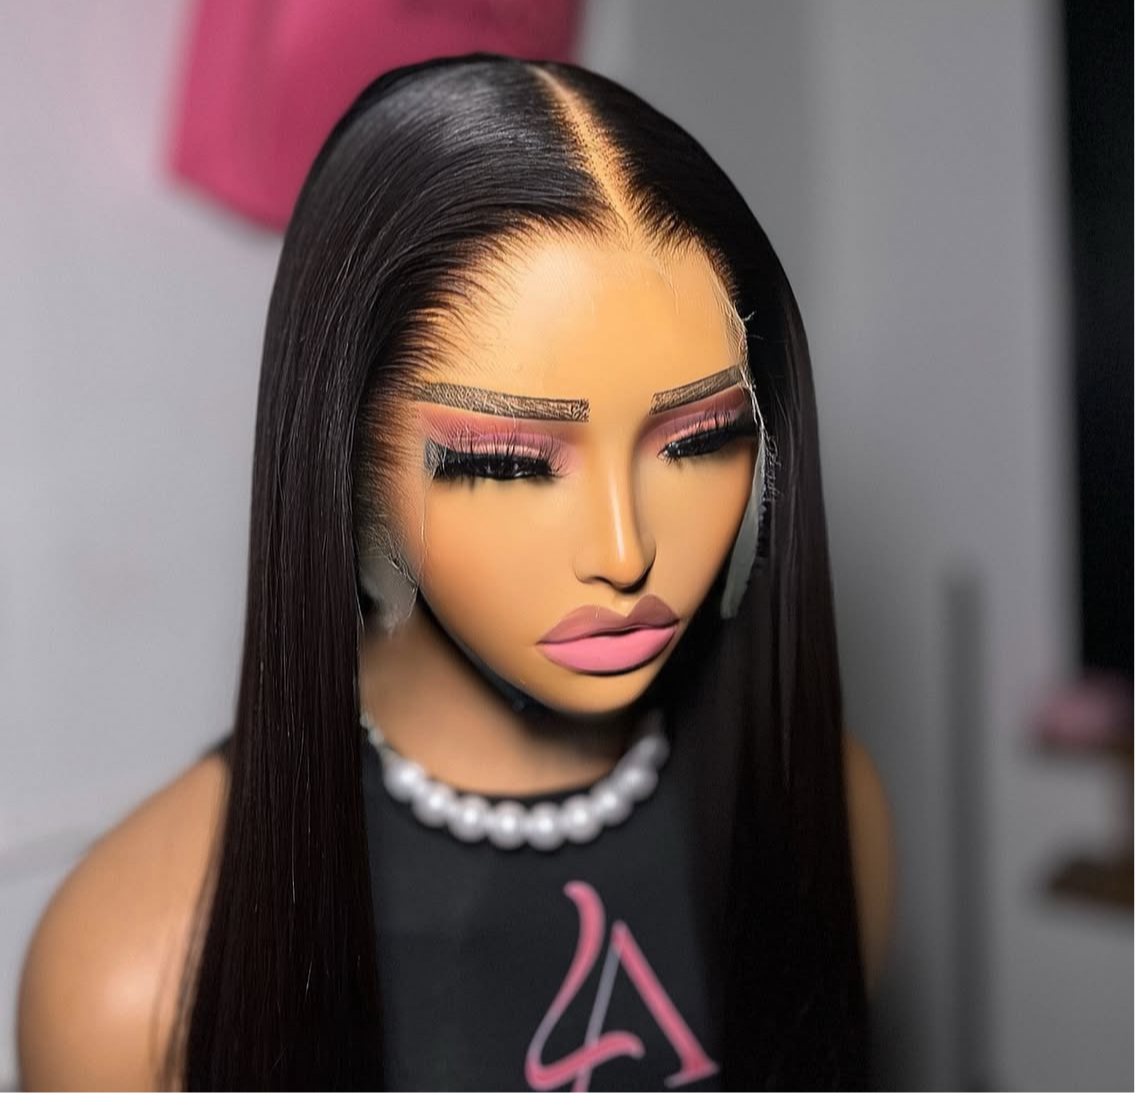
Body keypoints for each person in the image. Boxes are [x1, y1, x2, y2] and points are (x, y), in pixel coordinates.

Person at [17, 54, 895, 1093]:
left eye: (699, 440)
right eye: (509, 462)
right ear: (350, 458)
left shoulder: (818, 812)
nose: (625, 553)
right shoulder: (135, 975)